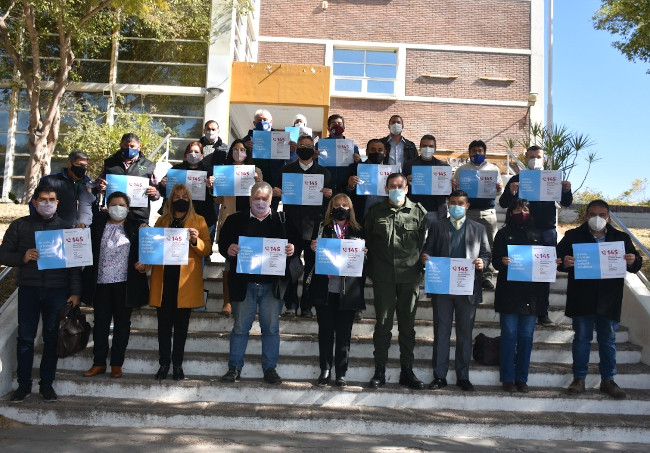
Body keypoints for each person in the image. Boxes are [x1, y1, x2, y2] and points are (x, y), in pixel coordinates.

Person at [0, 185, 81, 402]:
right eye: (43, 199)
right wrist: (23, 257)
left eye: (52, 200)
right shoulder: (20, 226)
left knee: (52, 338)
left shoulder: (66, 228)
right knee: (25, 338)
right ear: (34, 202)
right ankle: (23, 385)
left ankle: (46, 385)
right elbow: (3, 254)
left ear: (58, 203)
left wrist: (75, 293)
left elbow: (74, 266)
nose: (47, 203)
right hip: (29, 289)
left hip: (57, 292)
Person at [557, 199, 642, 399]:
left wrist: (633, 260)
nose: (597, 218)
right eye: (593, 214)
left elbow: (636, 264)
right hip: (582, 296)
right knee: (581, 339)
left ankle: (608, 380)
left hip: (609, 298)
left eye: (602, 215)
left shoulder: (620, 238)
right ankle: (579, 378)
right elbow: (558, 260)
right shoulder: (573, 236)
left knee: (608, 340)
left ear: (609, 217)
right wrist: (565, 262)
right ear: (586, 216)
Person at [218, 182, 296, 385]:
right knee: (240, 328)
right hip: (244, 284)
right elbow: (223, 244)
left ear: (271, 200)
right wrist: (229, 249)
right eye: (256, 198)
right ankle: (234, 367)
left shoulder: (283, 220)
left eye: (264, 199)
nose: (260, 202)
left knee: (271, 329)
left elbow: (296, 244)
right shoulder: (235, 220)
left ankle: (270, 368)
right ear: (249, 199)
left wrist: (292, 249)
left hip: (272, 286)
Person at [421, 189, 491, 392]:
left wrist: (482, 262)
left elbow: (486, 254)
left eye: (460, 203)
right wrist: (425, 256)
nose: (456, 206)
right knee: (441, 333)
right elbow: (428, 248)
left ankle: (463, 376)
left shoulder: (479, 228)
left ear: (467, 206)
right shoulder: (437, 226)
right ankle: (439, 376)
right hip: (442, 288)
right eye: (453, 202)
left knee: (465, 334)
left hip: (467, 289)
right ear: (447, 204)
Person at [365, 173, 427, 390]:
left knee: (407, 326)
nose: (396, 189)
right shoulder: (375, 212)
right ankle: (379, 370)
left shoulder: (418, 212)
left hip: (409, 276)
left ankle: (407, 370)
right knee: (382, 324)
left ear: (407, 188)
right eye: (392, 186)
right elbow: (367, 241)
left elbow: (424, 244)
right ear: (386, 189)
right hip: (383, 277)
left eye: (400, 186)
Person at [499, 145, 572, 326]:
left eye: (538, 156)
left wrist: (566, 190)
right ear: (526, 159)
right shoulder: (517, 178)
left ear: (544, 159)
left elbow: (567, 202)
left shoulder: (552, 178)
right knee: (520, 269)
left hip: (546, 230)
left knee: (544, 272)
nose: (535, 160)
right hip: (522, 231)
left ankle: (542, 311)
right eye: (531, 156)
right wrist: (511, 191)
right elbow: (503, 203)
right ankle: (519, 307)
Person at [492, 198, 558, 392]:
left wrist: (552, 263)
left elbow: (547, 260)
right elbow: (495, 261)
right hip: (509, 293)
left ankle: (521, 378)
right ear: (510, 212)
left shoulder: (539, 234)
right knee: (509, 336)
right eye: (518, 209)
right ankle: (507, 378)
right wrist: (502, 262)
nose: (522, 212)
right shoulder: (503, 234)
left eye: (526, 209)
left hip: (532, 295)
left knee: (526, 337)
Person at [81, 191, 149, 379]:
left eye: (122, 205)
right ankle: (99, 363)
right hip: (101, 283)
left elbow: (149, 250)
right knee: (100, 324)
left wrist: (144, 263)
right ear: (107, 207)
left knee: (122, 325)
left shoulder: (137, 227)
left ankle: (117, 364)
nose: (117, 208)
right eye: (113, 205)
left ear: (128, 208)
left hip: (125, 284)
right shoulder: (97, 225)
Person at [148, 184, 211, 381]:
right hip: (164, 280)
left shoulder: (199, 221)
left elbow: (206, 250)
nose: (180, 199)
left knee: (181, 327)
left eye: (184, 196)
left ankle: (177, 365)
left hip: (185, 282)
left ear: (190, 199)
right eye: (176, 196)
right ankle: (164, 363)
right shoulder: (162, 220)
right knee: (163, 326)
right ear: (171, 199)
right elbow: (153, 247)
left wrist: (195, 240)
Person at [309, 193, 366, 387]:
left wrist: (364, 254)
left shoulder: (358, 230)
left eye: (345, 205)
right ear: (331, 208)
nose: (341, 208)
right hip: (325, 289)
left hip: (347, 291)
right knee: (325, 332)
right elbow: (312, 259)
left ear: (350, 209)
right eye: (337, 205)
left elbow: (363, 264)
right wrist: (312, 248)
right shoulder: (322, 227)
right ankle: (325, 369)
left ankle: (341, 372)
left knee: (344, 334)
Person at [273, 134, 333, 317]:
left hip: (315, 226)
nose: (305, 148)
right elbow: (275, 197)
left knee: (311, 267)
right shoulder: (286, 171)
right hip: (291, 225)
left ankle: (307, 305)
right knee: (291, 265)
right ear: (296, 148)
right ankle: (291, 304)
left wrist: (329, 194)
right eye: (301, 145)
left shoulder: (324, 173)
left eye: (308, 146)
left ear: (314, 150)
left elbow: (330, 202)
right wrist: (276, 193)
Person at [215, 139, 263, 315]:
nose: (238, 152)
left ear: (247, 153)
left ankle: (249, 301)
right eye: (235, 149)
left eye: (242, 149)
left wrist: (258, 182)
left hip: (250, 220)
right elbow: (218, 200)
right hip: (231, 219)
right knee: (229, 260)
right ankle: (227, 301)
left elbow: (262, 195)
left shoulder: (256, 170)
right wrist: (214, 186)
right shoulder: (224, 171)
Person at [452, 140, 503, 290]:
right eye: (474, 151)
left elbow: (499, 192)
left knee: (489, 244)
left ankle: (487, 276)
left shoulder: (493, 169)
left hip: (488, 212)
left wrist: (499, 188)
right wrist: (454, 186)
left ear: (484, 152)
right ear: (469, 153)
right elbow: (456, 192)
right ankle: (467, 274)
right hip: (468, 212)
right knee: (466, 243)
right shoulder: (462, 170)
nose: (477, 153)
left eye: (480, 150)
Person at [158, 141, 217, 244]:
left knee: (202, 245)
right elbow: (165, 192)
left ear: (202, 155)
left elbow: (218, 195)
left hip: (204, 215)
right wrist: (163, 185)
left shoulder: (210, 171)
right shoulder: (176, 170)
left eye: (196, 152)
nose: (193, 154)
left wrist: (212, 186)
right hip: (177, 215)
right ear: (185, 155)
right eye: (190, 152)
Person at [95, 133, 160, 225]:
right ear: (120, 145)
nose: (129, 148)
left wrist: (154, 193)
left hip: (138, 215)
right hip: (113, 213)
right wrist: (100, 185)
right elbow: (97, 184)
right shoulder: (109, 163)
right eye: (125, 145)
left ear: (139, 146)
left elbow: (157, 193)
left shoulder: (149, 165)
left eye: (132, 146)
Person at [402, 134, 451, 228]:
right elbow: (402, 187)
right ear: (420, 147)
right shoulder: (409, 165)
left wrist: (451, 185)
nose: (427, 149)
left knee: (436, 236)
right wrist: (406, 181)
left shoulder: (443, 167)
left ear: (435, 148)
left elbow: (448, 193)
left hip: (436, 211)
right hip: (415, 210)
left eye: (431, 146)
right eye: (424, 146)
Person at [38, 150, 95, 228]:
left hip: (82, 230)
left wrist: (85, 223)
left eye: (85, 166)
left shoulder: (88, 185)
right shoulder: (50, 181)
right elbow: (37, 204)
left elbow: (89, 207)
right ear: (69, 164)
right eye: (79, 164)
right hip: (56, 229)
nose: (82, 168)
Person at [339, 139, 388, 225]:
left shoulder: (391, 170)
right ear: (367, 152)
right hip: (360, 216)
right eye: (373, 150)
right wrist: (350, 186)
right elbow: (343, 190)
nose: (376, 152)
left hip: (384, 217)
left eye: (380, 150)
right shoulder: (354, 168)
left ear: (385, 152)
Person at [315, 114, 361, 189]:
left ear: (344, 128)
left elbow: (356, 168)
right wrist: (314, 157)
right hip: (325, 184)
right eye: (334, 124)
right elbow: (315, 165)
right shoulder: (320, 144)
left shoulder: (352, 146)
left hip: (345, 185)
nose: (337, 126)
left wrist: (358, 160)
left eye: (339, 124)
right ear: (328, 128)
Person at [242, 108, 275, 185]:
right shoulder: (245, 141)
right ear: (254, 123)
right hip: (252, 181)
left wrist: (291, 151)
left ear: (271, 122)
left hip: (274, 182)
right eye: (259, 120)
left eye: (265, 120)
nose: (262, 122)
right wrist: (245, 149)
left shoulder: (279, 140)